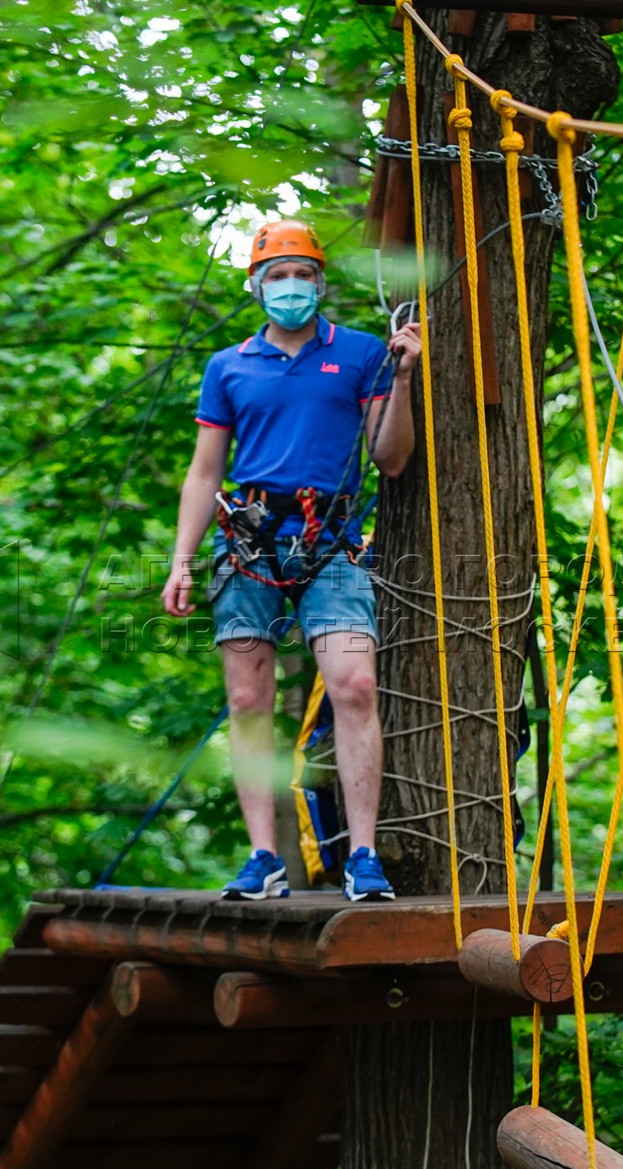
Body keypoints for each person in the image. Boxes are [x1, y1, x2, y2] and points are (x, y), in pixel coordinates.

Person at [159, 219, 418, 903]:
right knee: (248, 699)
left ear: (321, 282)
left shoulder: (361, 353)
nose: (291, 287)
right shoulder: (230, 365)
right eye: (278, 276)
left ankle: (363, 854)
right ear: (256, 285)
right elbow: (204, 469)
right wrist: (181, 562)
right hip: (248, 538)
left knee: (354, 685)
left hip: (328, 538)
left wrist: (406, 377)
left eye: (303, 274)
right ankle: (263, 857)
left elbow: (391, 457)